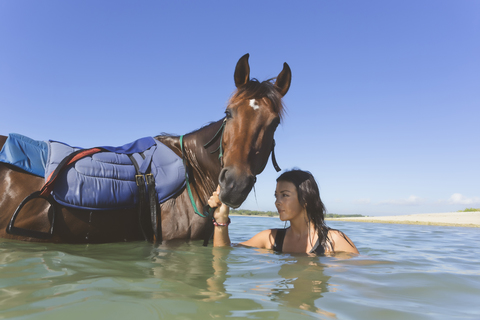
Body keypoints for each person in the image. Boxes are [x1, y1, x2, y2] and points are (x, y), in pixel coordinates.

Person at [208, 169, 359, 254]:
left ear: (305, 199)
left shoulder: (334, 241)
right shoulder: (270, 238)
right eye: (276, 196)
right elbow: (223, 252)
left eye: (285, 195)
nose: (277, 202)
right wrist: (221, 217)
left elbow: (361, 278)